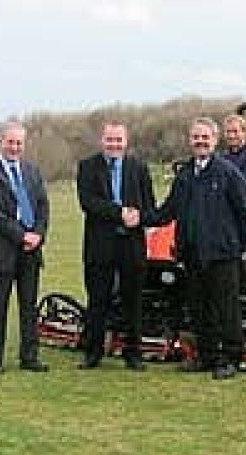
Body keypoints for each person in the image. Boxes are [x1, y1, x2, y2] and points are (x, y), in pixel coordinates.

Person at [145, 117, 246, 379]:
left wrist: (236, 244)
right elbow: (167, 211)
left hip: (222, 256)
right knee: (199, 308)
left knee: (226, 309)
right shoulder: (185, 175)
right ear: (190, 141)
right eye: (196, 137)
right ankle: (205, 356)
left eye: (205, 137)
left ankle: (230, 358)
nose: (200, 141)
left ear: (215, 140)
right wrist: (140, 218)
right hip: (192, 255)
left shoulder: (227, 173)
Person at [76, 121, 156, 371]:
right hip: (100, 245)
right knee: (98, 299)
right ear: (102, 141)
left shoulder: (139, 168)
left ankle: (133, 353)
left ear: (126, 141)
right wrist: (119, 213)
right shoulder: (88, 167)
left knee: (133, 300)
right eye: (110, 140)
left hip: (131, 245)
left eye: (118, 140)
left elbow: (149, 204)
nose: (114, 145)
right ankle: (93, 352)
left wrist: (140, 217)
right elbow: (88, 202)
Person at [0, 121, 50, 373]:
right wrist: (22, 236)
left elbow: (42, 207)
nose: (15, 147)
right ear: (1, 142)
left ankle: (29, 357)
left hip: (31, 250)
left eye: (19, 143)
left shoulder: (32, 171)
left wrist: (38, 235)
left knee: (29, 306)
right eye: (10, 142)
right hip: (3, 249)